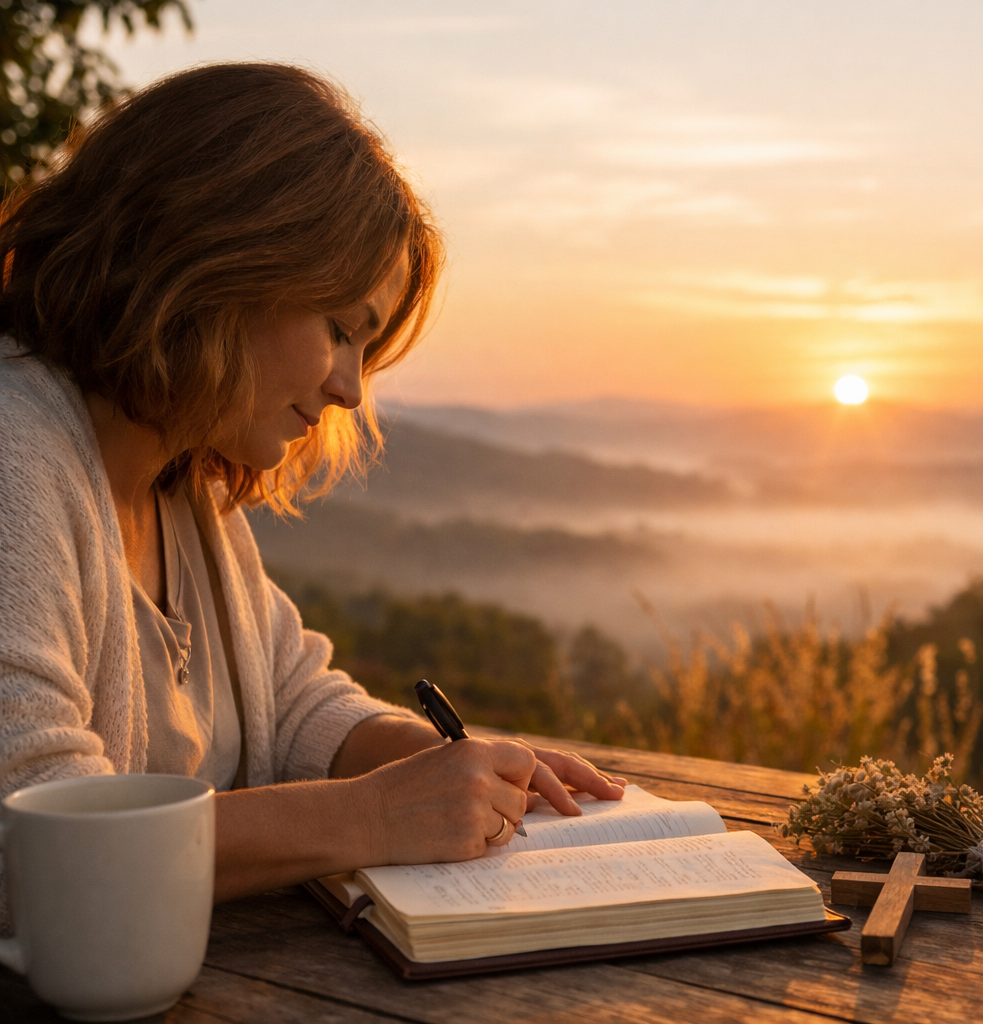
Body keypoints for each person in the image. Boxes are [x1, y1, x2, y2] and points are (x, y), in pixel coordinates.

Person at [0, 63, 626, 922]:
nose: (350, 390)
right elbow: (36, 840)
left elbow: (292, 704)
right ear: (213, 263)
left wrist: (445, 766)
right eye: (341, 329)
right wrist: (375, 815)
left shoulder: (181, 490)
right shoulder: (17, 452)